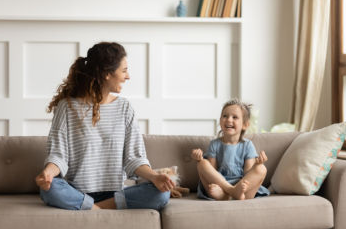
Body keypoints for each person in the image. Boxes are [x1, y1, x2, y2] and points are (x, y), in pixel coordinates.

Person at [35, 42, 175, 210]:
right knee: (50, 190)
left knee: (161, 193)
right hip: (77, 191)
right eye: (124, 71)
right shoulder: (67, 107)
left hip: (115, 193)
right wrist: (48, 173)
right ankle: (98, 207)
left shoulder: (124, 108)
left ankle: (91, 208)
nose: (128, 76)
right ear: (107, 74)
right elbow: (59, 155)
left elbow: (134, 159)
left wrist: (155, 177)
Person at [191, 98, 270, 200]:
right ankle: (231, 192)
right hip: (220, 185)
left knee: (261, 169)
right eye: (225, 116)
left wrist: (257, 165)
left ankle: (228, 195)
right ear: (220, 121)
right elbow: (212, 172)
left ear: (245, 125)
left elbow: (248, 173)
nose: (229, 119)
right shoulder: (214, 144)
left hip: (242, 187)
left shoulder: (248, 145)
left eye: (235, 117)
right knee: (202, 163)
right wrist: (198, 158)